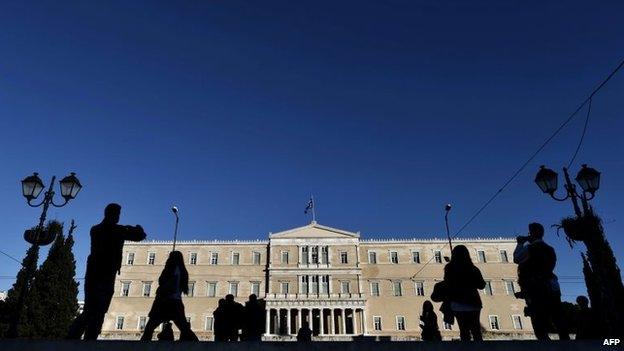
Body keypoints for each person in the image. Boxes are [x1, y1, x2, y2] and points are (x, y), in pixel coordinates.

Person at [67, 203, 146, 340]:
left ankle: (73, 337)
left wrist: (126, 228)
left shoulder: (96, 229)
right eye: (117, 214)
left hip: (93, 273)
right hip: (105, 274)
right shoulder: (118, 230)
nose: (118, 217)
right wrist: (135, 227)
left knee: (91, 309)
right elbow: (140, 235)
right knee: (98, 310)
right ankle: (84, 339)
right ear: (113, 214)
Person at [513, 223, 569, 340]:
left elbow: (516, 258)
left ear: (531, 234)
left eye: (529, 233)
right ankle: (566, 343)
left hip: (535, 287)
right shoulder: (550, 249)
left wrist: (519, 243)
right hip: (552, 285)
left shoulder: (530, 248)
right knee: (557, 316)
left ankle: (545, 344)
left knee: (538, 319)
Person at [140, 251, 199, 341]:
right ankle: (196, 344)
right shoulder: (183, 271)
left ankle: (142, 346)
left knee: (150, 327)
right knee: (184, 328)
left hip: (165, 301)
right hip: (177, 302)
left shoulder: (170, 268)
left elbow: (162, 281)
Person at [442, 245, 486, 341]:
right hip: (473, 302)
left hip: (458, 304)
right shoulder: (473, 269)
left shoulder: (449, 268)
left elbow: (447, 284)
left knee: (464, 331)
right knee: (476, 331)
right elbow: (482, 285)